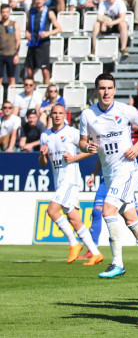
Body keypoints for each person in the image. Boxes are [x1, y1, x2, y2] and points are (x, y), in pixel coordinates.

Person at [79, 73, 138, 279]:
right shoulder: (88, 115)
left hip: (126, 169)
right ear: (96, 90)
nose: (106, 92)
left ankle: (118, 263)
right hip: (109, 173)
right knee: (131, 220)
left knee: (108, 211)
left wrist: (137, 146)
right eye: (102, 88)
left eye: (109, 88)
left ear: (114, 90)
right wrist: (86, 146)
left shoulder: (125, 110)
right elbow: (82, 142)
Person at [39, 104, 102, 264]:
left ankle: (74, 244)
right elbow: (43, 164)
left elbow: (92, 150)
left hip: (70, 180)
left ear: (65, 115)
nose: (57, 116)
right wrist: (43, 155)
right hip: (59, 180)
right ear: (50, 115)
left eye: (60, 113)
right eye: (55, 113)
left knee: (52, 211)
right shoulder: (45, 136)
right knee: (74, 219)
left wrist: (74, 158)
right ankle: (95, 253)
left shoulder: (72, 133)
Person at [25, 0, 62, 84]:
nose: (38, 1)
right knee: (30, 70)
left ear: (44, 0)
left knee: (45, 71)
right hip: (32, 43)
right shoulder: (31, 12)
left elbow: (59, 28)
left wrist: (48, 33)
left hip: (43, 44)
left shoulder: (49, 12)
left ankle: (46, 91)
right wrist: (27, 32)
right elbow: (28, 26)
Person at [0, 4, 20, 87]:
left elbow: (18, 39)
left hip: (11, 54)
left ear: (9, 13)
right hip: (0, 54)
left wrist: (16, 54)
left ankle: (12, 96)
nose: (5, 14)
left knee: (11, 78)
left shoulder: (14, 24)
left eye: (7, 12)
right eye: (3, 12)